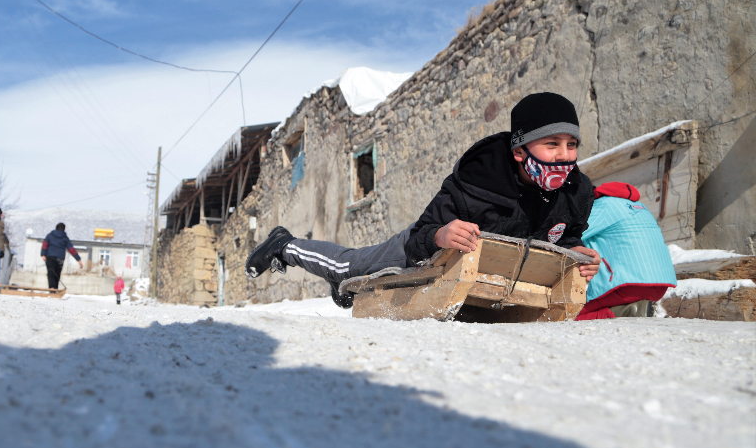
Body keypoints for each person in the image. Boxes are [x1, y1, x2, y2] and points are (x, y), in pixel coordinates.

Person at [245, 92, 600, 307]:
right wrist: (439, 236)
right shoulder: (477, 182)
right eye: (551, 145)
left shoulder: (577, 192)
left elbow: (562, 238)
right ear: (521, 151)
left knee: (360, 280)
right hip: (419, 251)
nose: (563, 155)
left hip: (466, 278)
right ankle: (286, 245)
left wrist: (576, 254)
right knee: (347, 267)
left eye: (571, 145)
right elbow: (424, 233)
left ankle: (352, 290)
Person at [575, 182, 677, 320]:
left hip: (628, 286)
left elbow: (570, 235)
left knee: (570, 313)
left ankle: (624, 312)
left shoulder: (602, 206)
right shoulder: (641, 207)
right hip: (660, 285)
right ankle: (633, 309)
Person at [41, 222, 83, 290]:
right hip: (60, 257)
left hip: (50, 257)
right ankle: (55, 288)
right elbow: (71, 249)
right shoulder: (65, 238)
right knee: (57, 273)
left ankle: (52, 288)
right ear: (64, 230)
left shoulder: (50, 235)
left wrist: (43, 254)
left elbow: (45, 244)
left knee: (51, 272)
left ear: (56, 228)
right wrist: (78, 259)